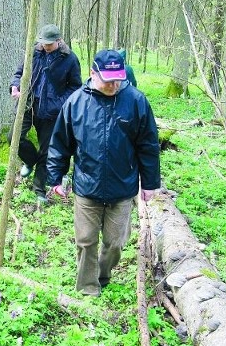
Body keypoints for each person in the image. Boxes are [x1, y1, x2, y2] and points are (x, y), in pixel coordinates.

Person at [47, 49, 161, 297]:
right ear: (93, 73)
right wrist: (55, 177)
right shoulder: (76, 102)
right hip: (87, 186)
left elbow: (148, 146)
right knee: (86, 241)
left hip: (123, 188)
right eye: (108, 79)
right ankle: (88, 288)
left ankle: (103, 274)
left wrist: (150, 183)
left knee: (115, 243)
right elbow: (60, 143)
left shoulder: (136, 101)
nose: (113, 84)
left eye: (117, 78)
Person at [8, 23, 82, 204]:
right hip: (28, 104)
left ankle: (39, 190)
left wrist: (58, 104)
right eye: (43, 43)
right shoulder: (34, 52)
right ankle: (29, 160)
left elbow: (75, 88)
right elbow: (19, 73)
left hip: (51, 112)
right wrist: (15, 85)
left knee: (46, 151)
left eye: (49, 44)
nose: (45, 47)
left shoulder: (70, 59)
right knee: (14, 138)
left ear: (59, 41)